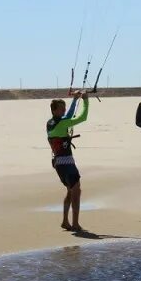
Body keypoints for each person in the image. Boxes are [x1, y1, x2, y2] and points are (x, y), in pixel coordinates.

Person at [47, 90, 89, 232]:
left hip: (59, 162)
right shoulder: (61, 124)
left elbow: (68, 115)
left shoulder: (51, 122)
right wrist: (86, 101)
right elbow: (82, 117)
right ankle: (75, 224)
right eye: (61, 108)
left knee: (71, 191)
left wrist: (75, 99)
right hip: (66, 163)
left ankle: (65, 221)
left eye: (64, 108)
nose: (64, 110)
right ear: (54, 110)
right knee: (76, 190)